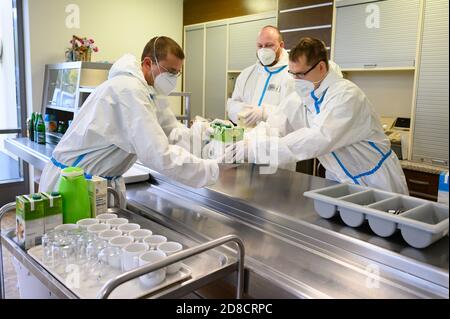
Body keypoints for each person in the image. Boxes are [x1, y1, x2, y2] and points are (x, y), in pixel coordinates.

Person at [39, 36, 220, 205]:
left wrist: (205, 139)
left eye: (177, 73)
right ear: (148, 63)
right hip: (74, 182)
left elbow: (172, 131)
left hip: (100, 183)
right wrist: (213, 170)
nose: (173, 79)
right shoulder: (129, 90)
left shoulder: (151, 92)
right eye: (170, 72)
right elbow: (158, 154)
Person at [227, 37, 409, 194]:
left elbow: (318, 138)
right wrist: (247, 142)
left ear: (321, 67)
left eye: (300, 74)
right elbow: (276, 125)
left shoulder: (346, 95)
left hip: (375, 181)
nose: (295, 81)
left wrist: (258, 149)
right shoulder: (302, 97)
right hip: (339, 178)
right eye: (292, 74)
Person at [226, 25, 294, 127]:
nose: (263, 50)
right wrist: (244, 111)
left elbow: (294, 116)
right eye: (260, 46)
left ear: (281, 45)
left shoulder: (293, 75)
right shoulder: (247, 74)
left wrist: (265, 113)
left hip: (275, 141)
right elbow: (232, 104)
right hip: (246, 138)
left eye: (269, 45)